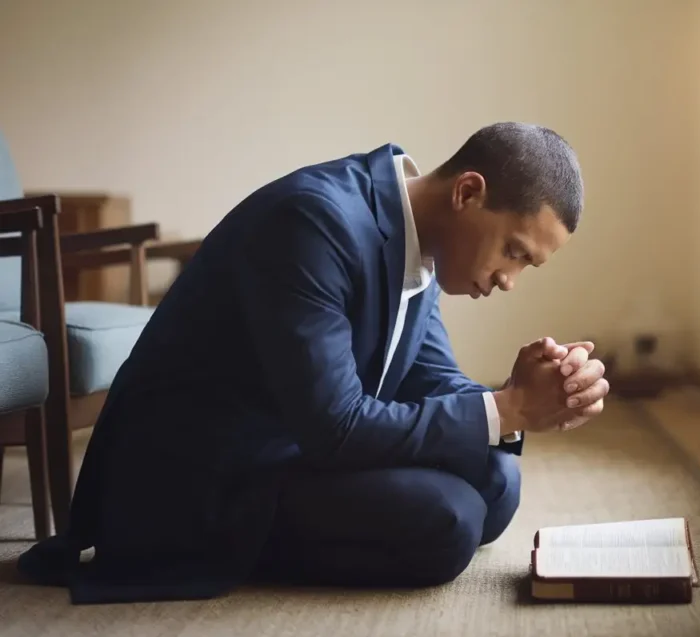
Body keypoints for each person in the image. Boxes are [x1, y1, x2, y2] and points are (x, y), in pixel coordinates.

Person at [18, 122, 609, 604]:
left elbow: (428, 378)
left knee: (497, 481)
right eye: (513, 251)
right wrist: (506, 408)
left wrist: (514, 399)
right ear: (467, 193)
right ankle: (231, 549)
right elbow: (337, 427)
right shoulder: (314, 222)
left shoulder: (420, 238)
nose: (509, 281)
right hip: (200, 478)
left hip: (294, 444)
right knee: (447, 522)